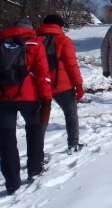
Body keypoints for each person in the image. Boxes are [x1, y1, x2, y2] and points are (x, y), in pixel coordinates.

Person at [0, 18, 52, 194]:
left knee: (7, 140)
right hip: (29, 96)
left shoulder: (2, 41)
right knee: (34, 130)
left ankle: (12, 183)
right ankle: (35, 170)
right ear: (30, 29)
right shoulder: (35, 43)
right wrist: (46, 98)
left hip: (4, 97)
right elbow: (42, 73)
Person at [36, 14, 86, 153]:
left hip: (40, 84)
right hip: (61, 84)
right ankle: (73, 144)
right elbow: (71, 64)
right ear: (59, 25)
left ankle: (37, 152)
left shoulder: (35, 40)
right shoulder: (64, 40)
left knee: (41, 117)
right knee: (71, 114)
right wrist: (79, 85)